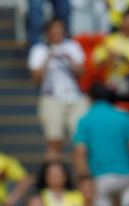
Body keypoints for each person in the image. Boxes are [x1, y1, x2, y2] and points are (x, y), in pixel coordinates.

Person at [27, 19, 88, 161]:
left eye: (60, 29)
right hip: (52, 98)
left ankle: (81, 178)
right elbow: (36, 79)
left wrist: (70, 60)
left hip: (75, 98)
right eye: (54, 29)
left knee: (80, 141)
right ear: (48, 32)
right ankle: (53, 178)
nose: (57, 33)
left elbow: (82, 72)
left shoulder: (73, 47)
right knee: (55, 141)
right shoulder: (39, 50)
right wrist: (48, 58)